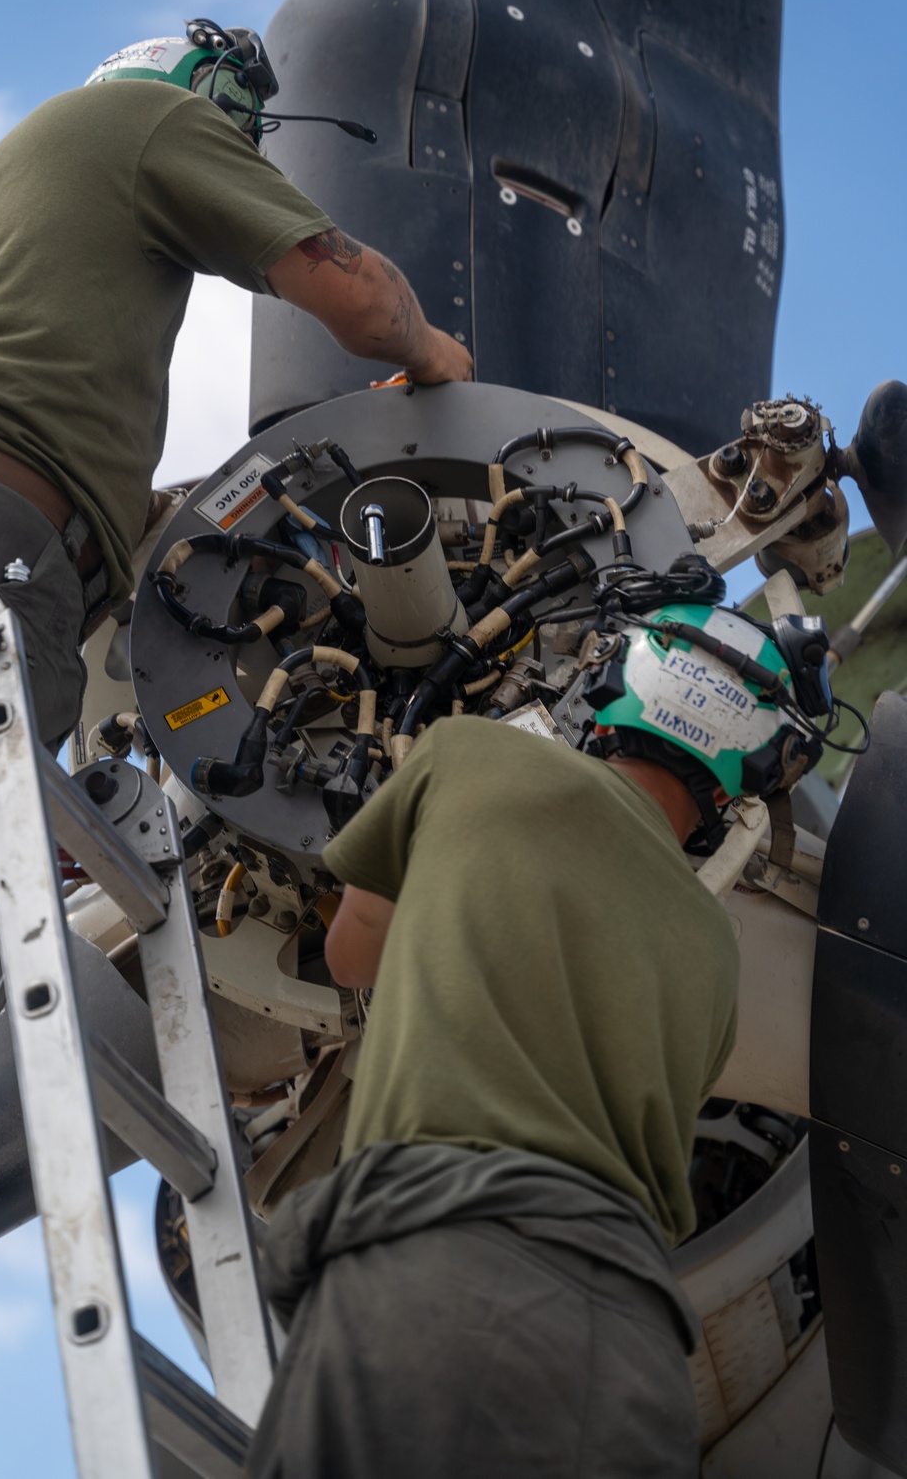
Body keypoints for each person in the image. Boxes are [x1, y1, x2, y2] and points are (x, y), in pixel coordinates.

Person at [0, 19, 471, 1076]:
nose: (244, 153)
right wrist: (437, 355)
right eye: (243, 133)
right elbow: (351, 293)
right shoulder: (149, 118)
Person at [246, 597, 826, 1478]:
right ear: (754, 766)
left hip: (428, 1283)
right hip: (630, 1355)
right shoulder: (718, 957)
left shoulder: (470, 757)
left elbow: (350, 956)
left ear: (609, 681)